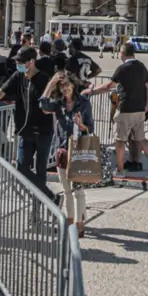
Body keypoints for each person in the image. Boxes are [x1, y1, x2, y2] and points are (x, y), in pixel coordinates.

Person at [0, 47, 55, 198]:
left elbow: (54, 101)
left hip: (42, 131)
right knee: (21, 169)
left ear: (31, 62)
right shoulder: (17, 76)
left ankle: (39, 208)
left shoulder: (45, 79)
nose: (18, 65)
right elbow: (0, 93)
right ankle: (49, 196)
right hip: (24, 130)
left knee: (40, 170)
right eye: (17, 62)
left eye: (21, 62)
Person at [40, 71, 95, 237]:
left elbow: (90, 127)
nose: (65, 89)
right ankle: (70, 222)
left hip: (79, 150)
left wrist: (81, 124)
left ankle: (79, 225)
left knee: (78, 190)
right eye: (61, 86)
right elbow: (42, 104)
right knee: (67, 190)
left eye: (67, 85)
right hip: (63, 150)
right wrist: (51, 82)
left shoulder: (84, 103)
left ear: (73, 84)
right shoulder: (58, 104)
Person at [95, 42, 148, 180]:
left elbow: (109, 85)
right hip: (140, 109)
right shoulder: (142, 67)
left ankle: (119, 170)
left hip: (125, 108)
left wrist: (92, 90)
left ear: (122, 54)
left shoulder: (122, 68)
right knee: (141, 138)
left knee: (119, 140)